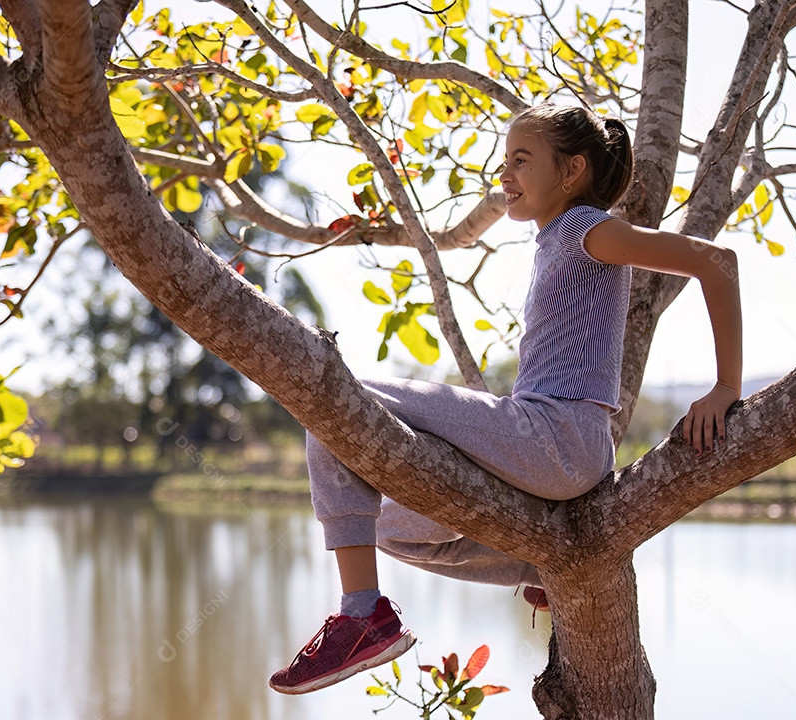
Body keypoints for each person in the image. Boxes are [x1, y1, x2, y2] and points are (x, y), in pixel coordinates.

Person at [268, 103, 742, 695]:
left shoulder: (587, 227)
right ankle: (538, 561)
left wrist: (726, 388)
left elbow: (716, 262)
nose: (504, 173)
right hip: (555, 454)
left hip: (553, 436)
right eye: (504, 161)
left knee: (332, 400)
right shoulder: (554, 239)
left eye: (521, 160)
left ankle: (362, 613)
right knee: (390, 526)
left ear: (571, 171)